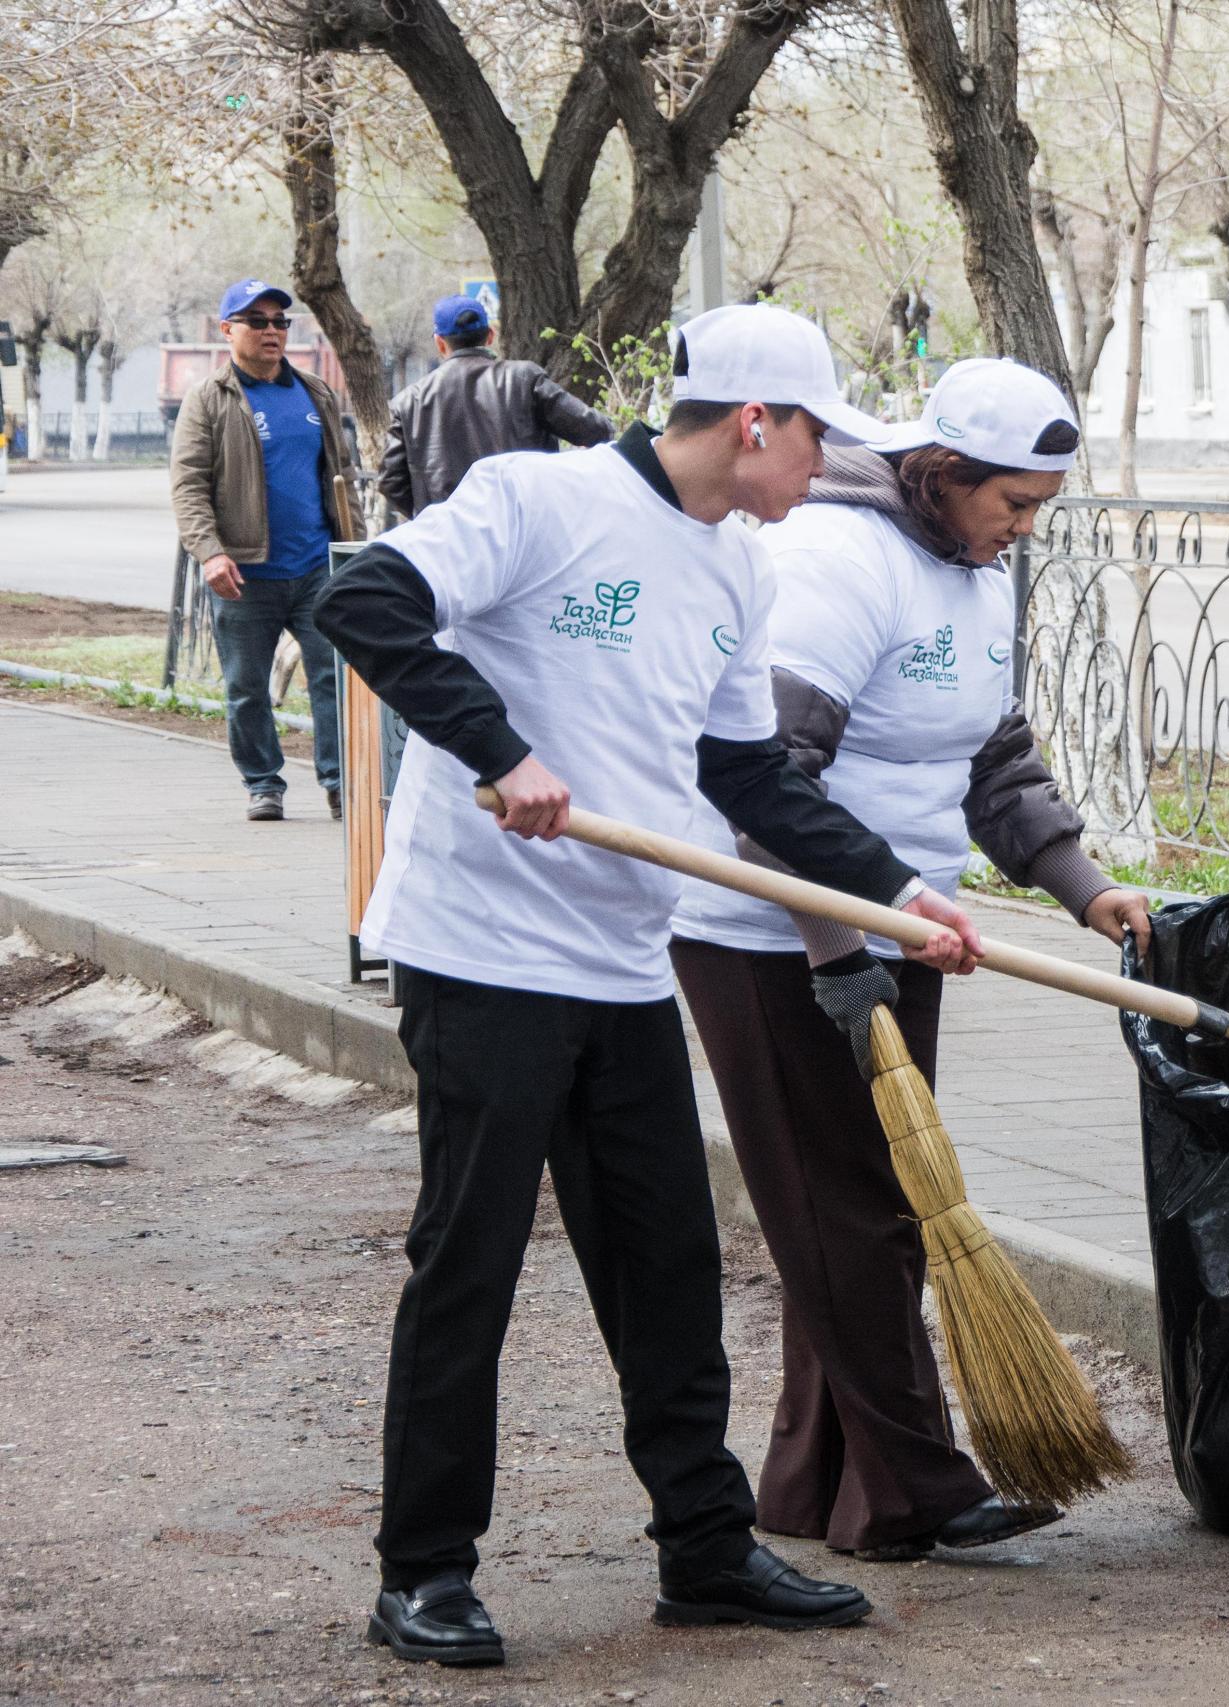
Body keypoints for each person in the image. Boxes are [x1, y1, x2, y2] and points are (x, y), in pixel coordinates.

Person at [315, 302, 986, 1668]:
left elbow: (750, 778)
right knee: (473, 1259)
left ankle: (704, 1541)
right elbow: (362, 599)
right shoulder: (537, 499)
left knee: (667, 1263)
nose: (822, 470)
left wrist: (896, 893)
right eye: (815, 440)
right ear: (756, 422)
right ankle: (425, 1568)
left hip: (622, 959)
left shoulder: (740, 570)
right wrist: (502, 751)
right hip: (482, 951)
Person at [668, 356, 1151, 1560]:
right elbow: (761, 783)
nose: (1024, 530)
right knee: (858, 1212)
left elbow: (996, 767)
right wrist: (836, 948)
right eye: (1013, 504)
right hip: (776, 938)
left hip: (904, 930)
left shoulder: (976, 577)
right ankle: (915, 1490)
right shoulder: (837, 562)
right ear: (943, 476)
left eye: (1041, 506)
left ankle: (814, 1484)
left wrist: (1086, 892)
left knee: (855, 1206)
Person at [169, 278, 349, 822]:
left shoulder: (316, 393)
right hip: (244, 573)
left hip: (319, 566)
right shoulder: (209, 399)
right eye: (258, 321)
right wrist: (210, 552)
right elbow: (188, 485)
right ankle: (263, 783)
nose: (272, 331)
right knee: (247, 687)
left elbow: (341, 478)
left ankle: (341, 781)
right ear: (229, 331)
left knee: (334, 678)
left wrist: (353, 549)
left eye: (279, 322)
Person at [379, 295, 615, 519]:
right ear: (490, 336)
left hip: (449, 544)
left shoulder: (409, 401)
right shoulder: (525, 379)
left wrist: (432, 516)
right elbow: (597, 430)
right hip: (525, 530)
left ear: (440, 344)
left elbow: (391, 480)